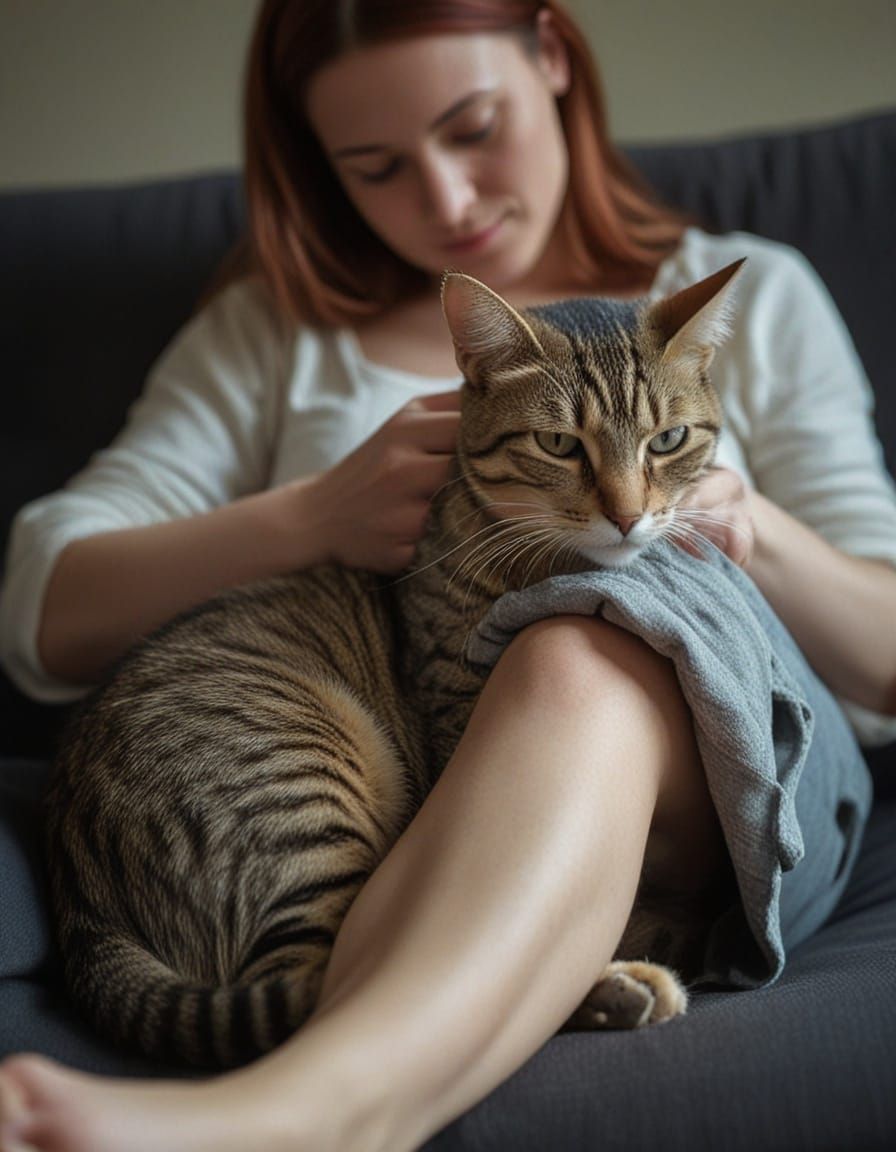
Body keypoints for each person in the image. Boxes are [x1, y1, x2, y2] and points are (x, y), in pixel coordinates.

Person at [1, 2, 896, 1150]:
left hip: (744, 777)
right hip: (389, 783)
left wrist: (748, 527)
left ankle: (309, 1112)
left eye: (473, 129)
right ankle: (395, 1044)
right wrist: (308, 516)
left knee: (579, 632)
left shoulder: (743, 297)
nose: (446, 201)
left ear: (554, 59)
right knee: (548, 638)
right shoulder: (274, 333)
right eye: (375, 167)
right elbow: (39, 601)